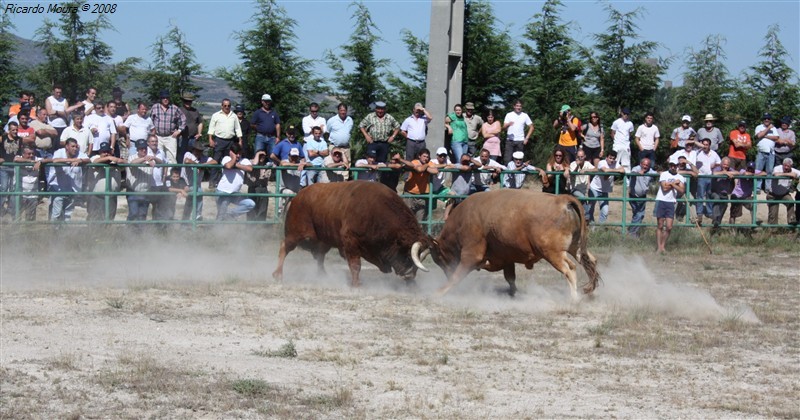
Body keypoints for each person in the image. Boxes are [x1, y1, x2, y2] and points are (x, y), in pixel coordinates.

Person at [359, 101, 400, 190]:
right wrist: (366, 135)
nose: (380, 111)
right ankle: (369, 183)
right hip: (373, 142)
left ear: (384, 109)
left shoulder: (389, 117)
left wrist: (393, 136)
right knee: (371, 161)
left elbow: (397, 126)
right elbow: (361, 125)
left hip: (384, 143)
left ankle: (381, 184)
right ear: (376, 109)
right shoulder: (370, 116)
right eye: (378, 109)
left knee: (382, 163)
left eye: (382, 109)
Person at [45, 138, 89, 222]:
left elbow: (88, 160)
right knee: (56, 214)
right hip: (58, 188)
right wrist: (72, 160)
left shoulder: (79, 154)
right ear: (66, 147)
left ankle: (65, 233)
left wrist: (80, 160)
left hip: (73, 189)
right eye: (72, 146)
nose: (75, 149)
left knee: (68, 213)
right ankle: (53, 232)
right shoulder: (59, 152)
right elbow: (55, 160)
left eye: (76, 146)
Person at [395, 149, 439, 221]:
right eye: (424, 156)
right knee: (406, 216)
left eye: (427, 157)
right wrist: (426, 167)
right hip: (410, 192)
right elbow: (419, 169)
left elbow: (435, 171)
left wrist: (426, 166)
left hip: (422, 195)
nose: (426, 158)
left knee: (420, 219)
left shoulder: (429, 163)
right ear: (419, 156)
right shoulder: (415, 162)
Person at [208, 99, 243, 188]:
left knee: (229, 161)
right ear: (222, 106)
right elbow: (211, 128)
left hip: (230, 141)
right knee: (216, 161)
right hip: (219, 140)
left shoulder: (234, 116)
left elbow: (238, 129)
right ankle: (212, 182)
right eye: (225, 105)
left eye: (228, 106)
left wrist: (240, 140)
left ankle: (227, 182)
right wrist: (210, 139)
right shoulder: (216, 115)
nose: (227, 107)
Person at [86, 142, 125, 221]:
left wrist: (116, 160)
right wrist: (109, 158)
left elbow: (125, 164)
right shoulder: (95, 157)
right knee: (94, 218)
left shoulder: (115, 160)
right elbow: (95, 162)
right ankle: (91, 233)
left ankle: (106, 233)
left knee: (109, 218)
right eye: (104, 152)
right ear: (100, 152)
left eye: (108, 151)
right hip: (96, 196)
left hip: (111, 196)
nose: (106, 154)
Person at [216, 142, 255, 220]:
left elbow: (250, 168)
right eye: (236, 153)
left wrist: (237, 165)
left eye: (239, 153)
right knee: (220, 215)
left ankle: (229, 215)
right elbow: (228, 166)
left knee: (250, 204)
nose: (238, 155)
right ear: (231, 152)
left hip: (235, 193)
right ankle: (217, 229)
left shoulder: (244, 160)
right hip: (223, 192)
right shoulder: (226, 158)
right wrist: (233, 158)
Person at [181, 139, 217, 221]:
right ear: (193, 150)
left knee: (193, 198)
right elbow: (187, 161)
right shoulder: (188, 154)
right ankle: (195, 216)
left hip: (195, 185)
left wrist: (203, 164)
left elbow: (214, 162)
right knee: (197, 194)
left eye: (200, 150)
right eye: (197, 150)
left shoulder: (203, 158)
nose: (198, 152)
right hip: (185, 183)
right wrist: (198, 165)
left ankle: (193, 217)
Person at [587, 150, 626, 224]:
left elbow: (623, 170)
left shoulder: (615, 163)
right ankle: (591, 226)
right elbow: (605, 170)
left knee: (605, 211)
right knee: (591, 208)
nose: (612, 160)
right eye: (610, 158)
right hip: (594, 188)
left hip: (604, 191)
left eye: (613, 158)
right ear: (606, 158)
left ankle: (600, 228)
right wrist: (616, 171)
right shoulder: (602, 162)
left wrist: (611, 170)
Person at [150, 90, 187, 164]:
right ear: (161, 99)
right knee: (158, 157)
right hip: (158, 137)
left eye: (167, 97)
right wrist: (152, 132)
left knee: (172, 158)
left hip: (170, 137)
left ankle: (171, 175)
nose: (165, 99)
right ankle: (160, 175)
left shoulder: (174, 108)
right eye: (163, 98)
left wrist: (179, 131)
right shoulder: (155, 107)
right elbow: (150, 120)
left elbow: (183, 119)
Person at [655, 161, 685, 253]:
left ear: (677, 166)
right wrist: (675, 184)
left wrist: (671, 184)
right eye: (671, 165)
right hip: (661, 200)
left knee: (669, 227)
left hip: (671, 202)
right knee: (660, 225)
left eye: (675, 166)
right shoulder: (664, 174)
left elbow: (682, 191)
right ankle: (659, 247)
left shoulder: (680, 177)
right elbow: (664, 188)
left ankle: (663, 246)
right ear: (669, 166)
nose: (673, 167)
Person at [126, 140, 156, 223]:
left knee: (142, 215)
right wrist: (144, 159)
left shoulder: (150, 158)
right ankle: (128, 232)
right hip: (133, 191)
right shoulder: (132, 157)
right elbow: (132, 163)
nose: (144, 150)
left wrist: (153, 158)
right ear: (137, 149)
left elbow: (161, 162)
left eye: (145, 148)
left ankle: (140, 234)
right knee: (133, 213)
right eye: (141, 149)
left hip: (146, 192)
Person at [627, 157, 657, 237]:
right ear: (640, 164)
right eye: (644, 164)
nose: (645, 166)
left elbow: (657, 174)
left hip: (643, 196)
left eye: (647, 165)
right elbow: (632, 173)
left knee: (638, 214)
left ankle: (632, 232)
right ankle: (632, 233)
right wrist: (637, 173)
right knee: (639, 214)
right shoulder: (636, 168)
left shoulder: (650, 171)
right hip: (633, 195)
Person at [695, 138, 721, 225]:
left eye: (707, 144)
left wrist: (715, 165)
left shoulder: (714, 154)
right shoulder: (698, 153)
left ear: (709, 145)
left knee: (709, 195)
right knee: (700, 195)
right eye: (703, 144)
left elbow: (720, 162)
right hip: (701, 177)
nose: (705, 146)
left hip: (711, 177)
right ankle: (699, 213)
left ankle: (709, 212)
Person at [708, 157, 739, 231]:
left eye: (727, 165)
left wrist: (728, 173)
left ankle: (717, 224)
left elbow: (738, 173)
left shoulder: (730, 170)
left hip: (724, 194)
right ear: (721, 164)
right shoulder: (717, 168)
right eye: (724, 164)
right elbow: (714, 173)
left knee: (724, 206)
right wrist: (725, 173)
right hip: (714, 192)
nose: (725, 166)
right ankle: (715, 219)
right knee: (717, 199)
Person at [11, 145, 41, 221]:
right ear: (23, 154)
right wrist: (30, 161)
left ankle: (28, 232)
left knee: (30, 219)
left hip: (32, 195)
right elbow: (16, 159)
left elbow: (51, 160)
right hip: (19, 193)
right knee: (16, 217)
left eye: (32, 154)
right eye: (29, 154)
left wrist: (40, 162)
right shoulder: (19, 157)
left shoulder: (37, 159)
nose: (31, 155)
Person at [767, 158, 799, 226]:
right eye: (785, 165)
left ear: (791, 166)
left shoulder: (793, 170)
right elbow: (776, 174)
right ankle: (772, 230)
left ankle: (791, 224)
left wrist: (791, 174)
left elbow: (796, 174)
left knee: (791, 202)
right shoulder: (777, 168)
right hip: (773, 194)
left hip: (784, 194)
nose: (786, 167)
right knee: (773, 213)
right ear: (782, 165)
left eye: (788, 166)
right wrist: (789, 174)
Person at [0, 122, 22, 218]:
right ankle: (1, 208)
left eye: (16, 129)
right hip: (4, 166)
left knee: (13, 188)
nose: (15, 131)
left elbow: (20, 151)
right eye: (13, 130)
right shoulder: (3, 138)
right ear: (9, 130)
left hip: (14, 167)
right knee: (4, 187)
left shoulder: (20, 140)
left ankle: (11, 209)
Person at [502, 99, 534, 164]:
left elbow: (532, 127)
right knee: (507, 159)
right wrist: (508, 124)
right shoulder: (509, 115)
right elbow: (503, 128)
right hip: (510, 141)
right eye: (517, 106)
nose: (518, 107)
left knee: (519, 160)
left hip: (520, 141)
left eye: (520, 106)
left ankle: (518, 174)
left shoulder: (524, 115)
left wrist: (527, 138)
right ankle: (507, 173)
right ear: (514, 106)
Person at [754, 113, 779, 194]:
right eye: (765, 118)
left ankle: (768, 188)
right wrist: (768, 128)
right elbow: (758, 135)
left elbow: (776, 137)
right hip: (761, 152)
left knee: (769, 171)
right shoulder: (759, 127)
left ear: (770, 119)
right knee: (758, 171)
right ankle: (757, 188)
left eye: (768, 118)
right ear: (763, 120)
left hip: (771, 153)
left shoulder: (774, 128)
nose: (766, 120)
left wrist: (765, 135)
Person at [245, 150, 271, 221]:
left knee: (262, 211)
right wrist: (258, 153)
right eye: (260, 155)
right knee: (251, 210)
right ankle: (251, 227)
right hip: (253, 188)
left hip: (263, 188)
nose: (262, 157)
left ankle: (260, 227)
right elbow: (254, 164)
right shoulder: (250, 162)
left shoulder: (267, 164)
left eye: (264, 155)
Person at [178, 93, 203, 165]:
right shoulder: (179, 110)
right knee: (181, 156)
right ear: (183, 101)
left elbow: (200, 122)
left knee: (194, 156)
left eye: (189, 101)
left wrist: (199, 133)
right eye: (186, 101)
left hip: (193, 137)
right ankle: (180, 172)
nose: (188, 103)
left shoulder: (195, 111)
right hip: (182, 137)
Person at [569, 149, 595, 218]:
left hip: (584, 190)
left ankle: (588, 220)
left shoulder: (587, 164)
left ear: (585, 156)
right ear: (576, 157)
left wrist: (586, 170)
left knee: (590, 202)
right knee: (583, 198)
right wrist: (577, 166)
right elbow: (572, 175)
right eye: (578, 156)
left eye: (581, 156)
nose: (580, 158)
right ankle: (587, 217)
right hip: (574, 189)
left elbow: (596, 169)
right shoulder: (573, 164)